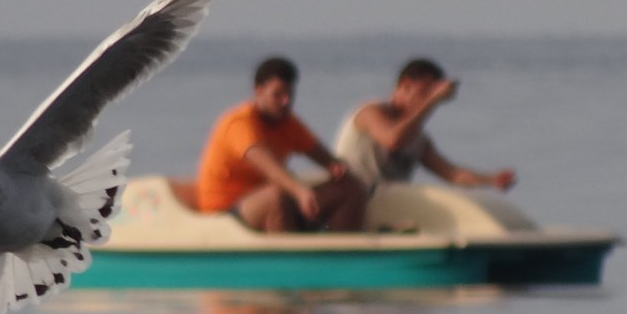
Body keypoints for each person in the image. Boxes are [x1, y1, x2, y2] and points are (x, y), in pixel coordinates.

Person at [196, 56, 367, 233]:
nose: (285, 102)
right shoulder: (239, 123)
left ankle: (340, 254)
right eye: (277, 95)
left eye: (289, 95)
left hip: (269, 200)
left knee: (349, 189)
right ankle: (290, 258)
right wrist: (300, 192)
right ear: (258, 91)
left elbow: (327, 160)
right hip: (225, 213)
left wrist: (338, 168)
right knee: (276, 195)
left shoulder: (288, 124)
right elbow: (270, 168)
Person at [333, 57, 517, 193]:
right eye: (424, 92)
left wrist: (491, 180)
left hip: (390, 202)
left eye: (431, 93)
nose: (426, 99)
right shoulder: (370, 111)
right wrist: (433, 100)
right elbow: (393, 139)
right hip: (353, 195)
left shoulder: (418, 138)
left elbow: (451, 173)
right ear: (405, 85)